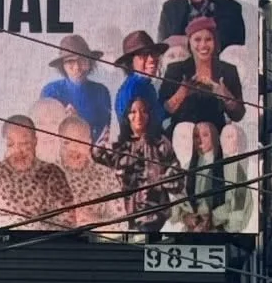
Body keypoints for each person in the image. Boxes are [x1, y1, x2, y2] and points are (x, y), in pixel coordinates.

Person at [92, 95, 185, 234]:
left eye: (143, 111)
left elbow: (177, 178)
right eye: (133, 112)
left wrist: (161, 179)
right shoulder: (120, 146)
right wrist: (97, 148)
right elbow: (98, 162)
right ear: (127, 116)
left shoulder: (161, 143)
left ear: (149, 115)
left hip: (155, 218)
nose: (139, 116)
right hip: (124, 219)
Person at [0, 116, 75, 228]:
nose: (18, 151)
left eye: (25, 144)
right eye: (11, 144)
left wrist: (28, 228)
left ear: (35, 142)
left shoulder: (52, 174)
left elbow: (67, 223)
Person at [162, 17, 246, 130]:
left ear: (215, 42)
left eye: (208, 39)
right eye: (197, 40)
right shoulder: (175, 70)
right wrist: (181, 93)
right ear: (189, 43)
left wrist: (227, 98)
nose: (203, 45)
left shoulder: (228, 70)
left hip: (215, 136)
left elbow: (239, 115)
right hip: (181, 137)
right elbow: (163, 112)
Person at [39, 34, 112, 141]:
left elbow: (103, 134)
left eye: (82, 60)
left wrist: (79, 122)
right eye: (70, 61)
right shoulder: (50, 91)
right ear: (62, 65)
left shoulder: (101, 91)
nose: (77, 67)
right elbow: (45, 132)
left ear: (90, 62)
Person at [56, 114, 120, 227]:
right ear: (59, 144)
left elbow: (121, 223)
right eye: (67, 142)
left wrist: (93, 222)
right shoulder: (48, 173)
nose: (73, 149)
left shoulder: (105, 175)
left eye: (79, 141)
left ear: (89, 143)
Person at [114, 30, 165, 133]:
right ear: (130, 62)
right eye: (143, 55)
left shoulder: (147, 85)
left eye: (153, 53)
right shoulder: (132, 89)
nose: (151, 59)